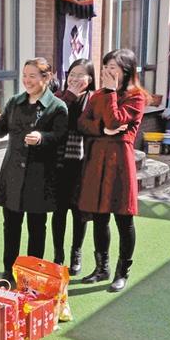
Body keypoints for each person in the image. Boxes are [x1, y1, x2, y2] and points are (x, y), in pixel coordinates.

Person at [0, 58, 68, 283]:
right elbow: (2, 129)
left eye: (32, 76)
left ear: (46, 78)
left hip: (40, 176)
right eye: (25, 76)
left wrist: (42, 137)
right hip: (13, 174)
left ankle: (32, 274)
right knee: (11, 226)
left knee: (37, 227)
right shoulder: (15, 102)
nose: (27, 80)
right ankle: (9, 271)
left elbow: (60, 137)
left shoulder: (57, 107)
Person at [77, 48, 150, 292]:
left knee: (123, 218)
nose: (107, 72)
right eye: (106, 67)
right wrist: (102, 130)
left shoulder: (136, 97)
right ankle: (102, 268)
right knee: (99, 217)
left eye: (113, 68)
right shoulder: (98, 95)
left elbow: (116, 120)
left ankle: (122, 272)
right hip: (97, 160)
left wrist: (110, 94)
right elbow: (82, 123)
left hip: (119, 162)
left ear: (126, 71)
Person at [52, 58, 95, 275]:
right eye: (72, 74)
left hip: (83, 164)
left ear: (90, 78)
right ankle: (58, 255)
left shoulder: (94, 99)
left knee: (79, 212)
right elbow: (53, 118)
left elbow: (91, 127)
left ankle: (76, 253)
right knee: (59, 212)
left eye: (80, 75)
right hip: (59, 164)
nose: (75, 79)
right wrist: (69, 96)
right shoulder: (59, 96)